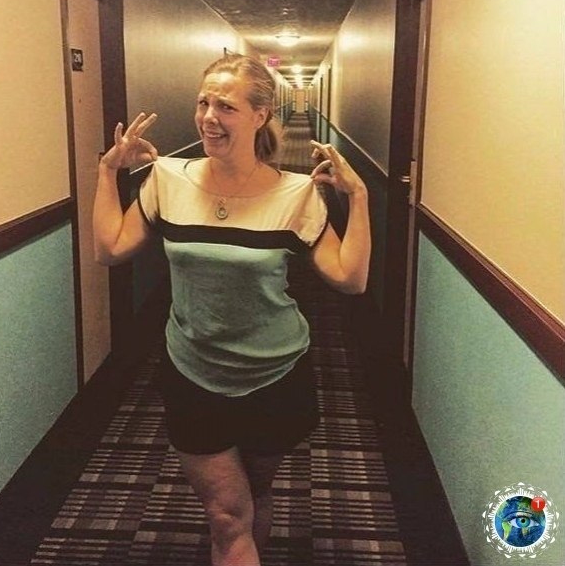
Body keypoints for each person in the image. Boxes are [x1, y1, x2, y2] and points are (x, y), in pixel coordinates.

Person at [93, 53, 371, 566]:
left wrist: (360, 198)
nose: (209, 117)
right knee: (226, 512)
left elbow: (349, 278)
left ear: (261, 115)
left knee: (255, 496)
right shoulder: (166, 179)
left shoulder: (296, 194)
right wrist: (108, 171)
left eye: (226, 106)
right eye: (203, 103)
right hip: (193, 373)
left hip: (276, 375)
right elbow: (110, 248)